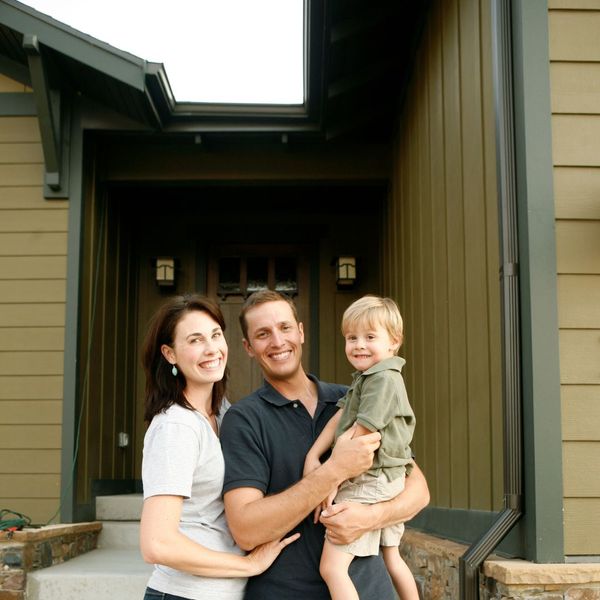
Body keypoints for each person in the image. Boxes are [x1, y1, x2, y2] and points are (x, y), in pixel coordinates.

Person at [220, 290, 429, 599]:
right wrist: (332, 470)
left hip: (370, 591)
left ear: (301, 332)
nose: (277, 341)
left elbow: (418, 491)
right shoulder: (244, 419)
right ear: (248, 348)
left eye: (285, 328)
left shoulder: (356, 396)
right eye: (263, 334)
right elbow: (246, 530)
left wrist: (369, 518)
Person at [139, 294, 298, 600]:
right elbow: (157, 543)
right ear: (170, 354)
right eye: (195, 340)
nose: (211, 349)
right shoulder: (177, 426)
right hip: (186, 594)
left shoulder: (223, 413)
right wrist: (248, 565)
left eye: (215, 335)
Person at [304, 295, 419, 600]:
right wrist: (314, 454)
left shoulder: (384, 380)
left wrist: (332, 480)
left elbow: (362, 434)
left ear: (393, 342)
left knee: (332, 568)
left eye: (370, 337)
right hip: (388, 479)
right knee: (392, 558)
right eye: (351, 338)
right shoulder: (366, 379)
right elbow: (342, 415)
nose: (358, 345)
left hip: (371, 480)